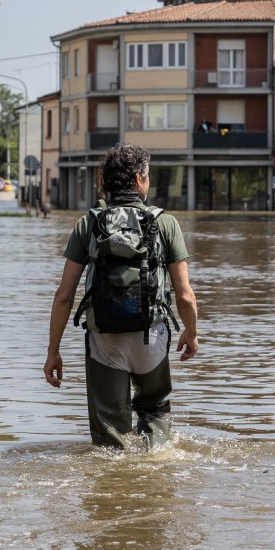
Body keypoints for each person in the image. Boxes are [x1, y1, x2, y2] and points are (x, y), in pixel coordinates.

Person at [44, 143, 199, 448]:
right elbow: (185, 295)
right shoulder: (165, 223)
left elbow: (63, 296)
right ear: (139, 178)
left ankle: (115, 472)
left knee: (109, 430)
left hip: (104, 339)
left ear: (106, 181)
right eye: (148, 176)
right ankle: (157, 462)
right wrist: (191, 333)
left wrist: (53, 351)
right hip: (150, 336)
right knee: (154, 410)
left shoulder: (89, 223)